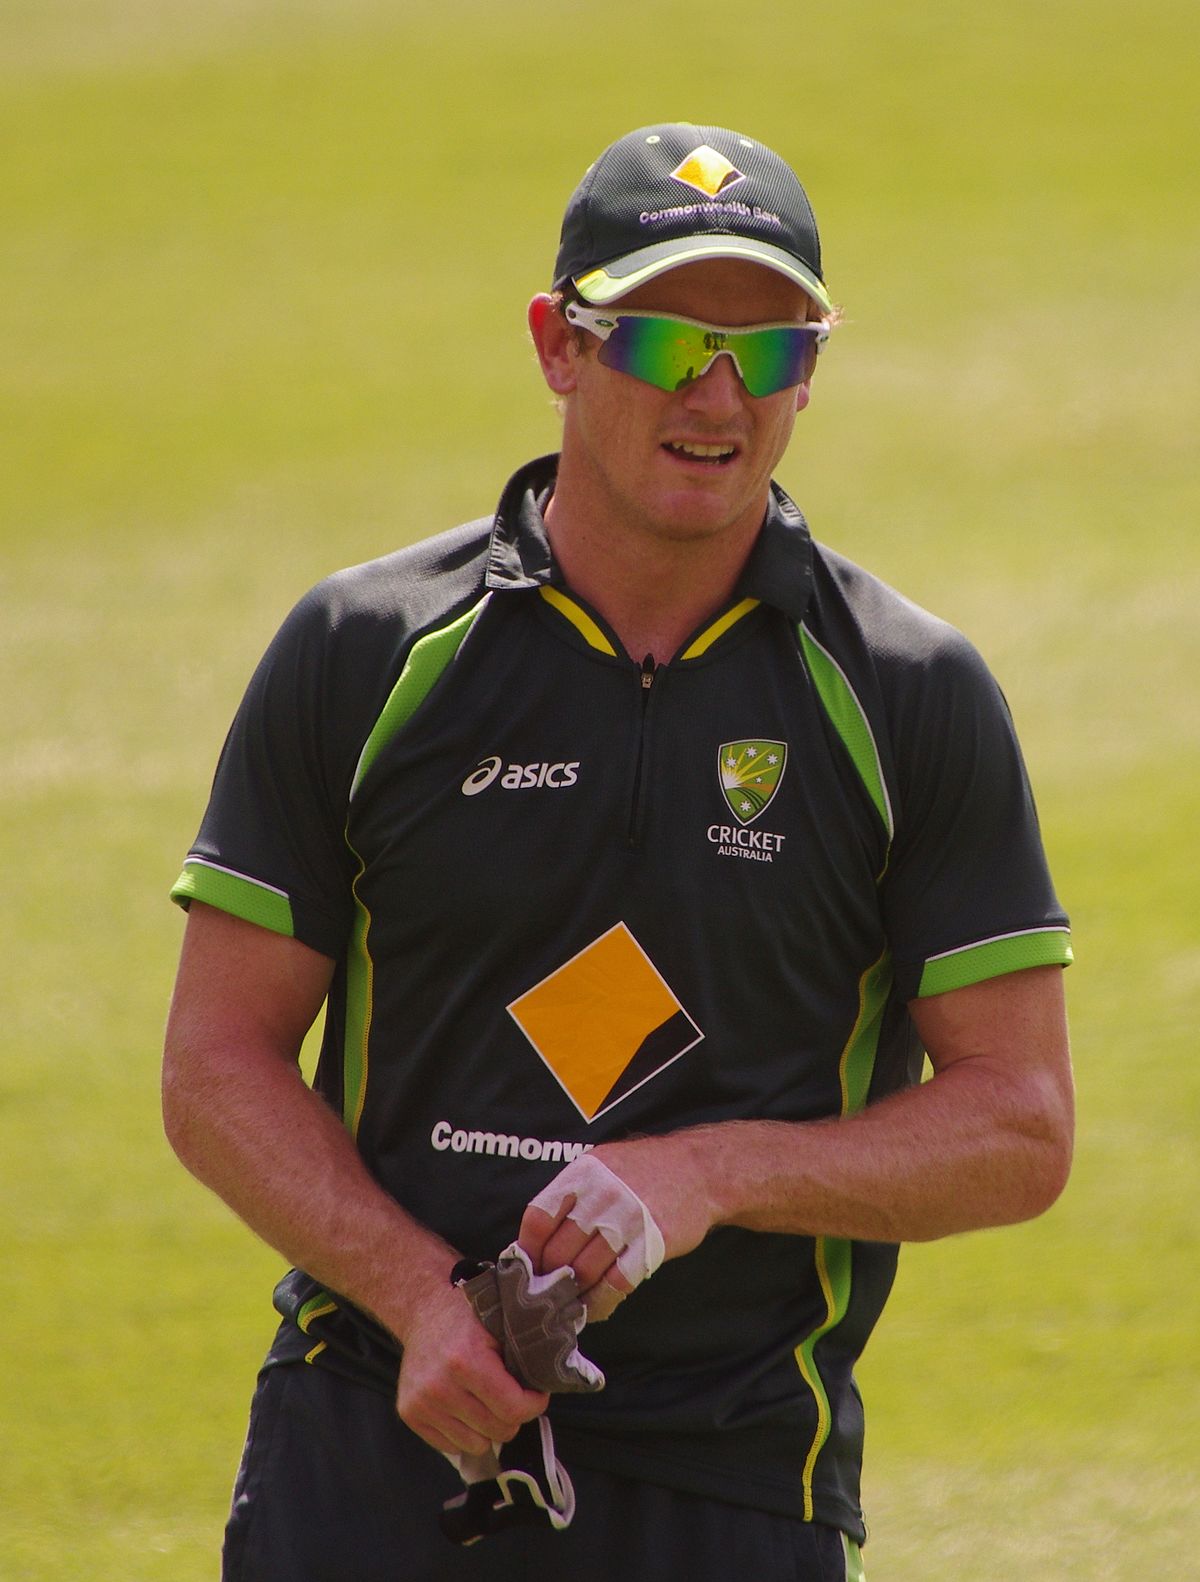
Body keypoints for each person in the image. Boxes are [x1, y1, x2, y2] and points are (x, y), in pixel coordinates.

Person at [162, 122, 1074, 1582]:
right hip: (373, 1439)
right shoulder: (366, 652)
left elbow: (1022, 1123)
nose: (718, 396)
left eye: (768, 353)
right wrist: (422, 1301)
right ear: (558, 344)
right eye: (665, 343)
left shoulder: (907, 694)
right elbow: (215, 1065)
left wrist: (706, 1172)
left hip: (733, 1476)